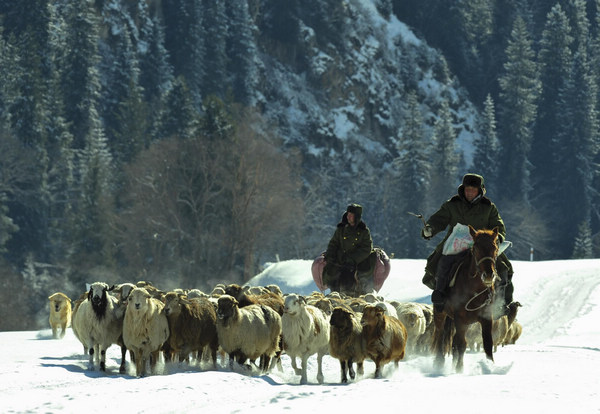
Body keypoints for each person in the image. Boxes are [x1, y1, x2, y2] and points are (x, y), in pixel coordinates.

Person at [421, 173, 514, 314]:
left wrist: (498, 238)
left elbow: (498, 226)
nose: (469, 192)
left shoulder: (488, 207)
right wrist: (430, 229)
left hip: (482, 245)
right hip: (455, 243)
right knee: (440, 264)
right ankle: (440, 296)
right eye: (467, 189)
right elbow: (438, 219)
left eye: (473, 189)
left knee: (503, 269)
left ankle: (502, 303)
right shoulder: (452, 204)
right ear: (463, 189)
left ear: (480, 190)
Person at [322, 203, 376, 296]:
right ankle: (334, 293)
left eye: (351, 215)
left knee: (361, 275)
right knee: (331, 273)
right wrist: (331, 255)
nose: (348, 217)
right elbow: (333, 243)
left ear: (357, 216)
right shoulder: (341, 229)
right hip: (340, 260)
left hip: (357, 262)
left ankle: (358, 293)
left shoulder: (364, 231)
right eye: (348, 214)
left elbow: (367, 248)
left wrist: (352, 259)